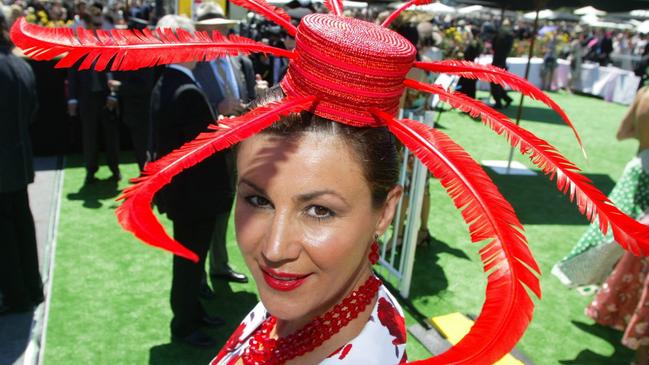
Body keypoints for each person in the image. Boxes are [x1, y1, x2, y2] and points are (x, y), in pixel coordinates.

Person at [16, 3, 649, 364]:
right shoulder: (297, 302)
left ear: (385, 212)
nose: (273, 246)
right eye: (257, 198)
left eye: (319, 211)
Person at [149, 14, 230, 347]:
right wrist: (227, 130)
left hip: (184, 194)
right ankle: (183, 325)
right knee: (188, 264)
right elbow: (205, 150)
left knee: (191, 263)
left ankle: (192, 312)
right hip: (195, 197)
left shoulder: (167, 82)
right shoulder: (184, 90)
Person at [553, 87, 649, 289]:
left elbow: (622, 133)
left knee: (609, 233)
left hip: (637, 167)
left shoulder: (643, 92)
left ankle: (595, 282)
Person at [0, 10, 43, 314]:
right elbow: (32, 112)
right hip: (19, 159)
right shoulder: (21, 64)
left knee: (6, 236)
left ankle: (17, 296)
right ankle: (32, 288)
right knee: (22, 226)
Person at [66, 13, 121, 183]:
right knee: (89, 137)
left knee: (111, 137)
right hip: (87, 99)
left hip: (107, 98)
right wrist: (72, 100)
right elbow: (73, 76)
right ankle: (90, 170)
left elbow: (117, 73)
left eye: (100, 24)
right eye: (95, 25)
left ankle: (114, 169)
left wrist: (114, 95)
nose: (98, 28)